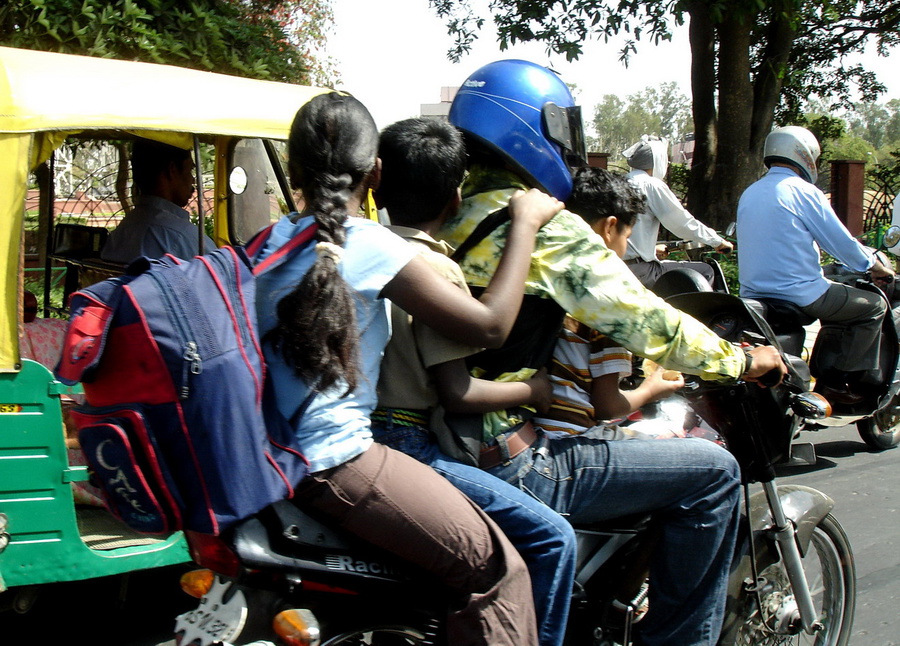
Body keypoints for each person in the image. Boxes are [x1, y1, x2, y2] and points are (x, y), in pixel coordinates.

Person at [436, 59, 787, 646]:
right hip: (514, 455)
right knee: (715, 472)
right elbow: (649, 322)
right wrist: (742, 360)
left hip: (444, 436)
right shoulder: (542, 224)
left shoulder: (445, 214)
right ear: (537, 128)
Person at [254, 92, 566, 646]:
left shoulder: (266, 244)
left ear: (295, 168)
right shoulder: (372, 246)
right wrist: (524, 221)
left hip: (272, 458)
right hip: (339, 460)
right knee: (501, 571)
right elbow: (491, 325)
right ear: (374, 172)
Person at [370, 117, 575, 646]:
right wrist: (535, 390)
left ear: (376, 181)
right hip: (409, 444)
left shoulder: (360, 246)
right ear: (457, 196)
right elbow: (457, 392)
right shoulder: (432, 269)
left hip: (357, 436)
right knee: (554, 539)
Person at [738, 125, 894, 404]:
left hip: (754, 295)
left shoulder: (750, 192)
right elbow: (842, 244)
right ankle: (838, 383)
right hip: (799, 294)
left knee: (836, 288)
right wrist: (874, 265)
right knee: (873, 307)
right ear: (805, 155)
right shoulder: (804, 191)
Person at [535, 166, 686, 440]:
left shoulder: (542, 271)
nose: (626, 248)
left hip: (527, 429)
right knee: (697, 452)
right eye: (627, 238)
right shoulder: (606, 301)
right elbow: (607, 405)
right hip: (571, 436)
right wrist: (651, 390)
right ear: (609, 227)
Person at [621, 135, 733, 288]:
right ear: (659, 161)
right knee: (705, 270)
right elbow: (681, 223)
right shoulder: (651, 185)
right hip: (641, 271)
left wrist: (651, 250)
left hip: (617, 267)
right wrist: (717, 241)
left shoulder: (618, 183)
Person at [101, 138, 214, 263]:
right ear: (172, 170)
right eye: (190, 170)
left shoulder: (122, 231)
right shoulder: (183, 237)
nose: (192, 180)